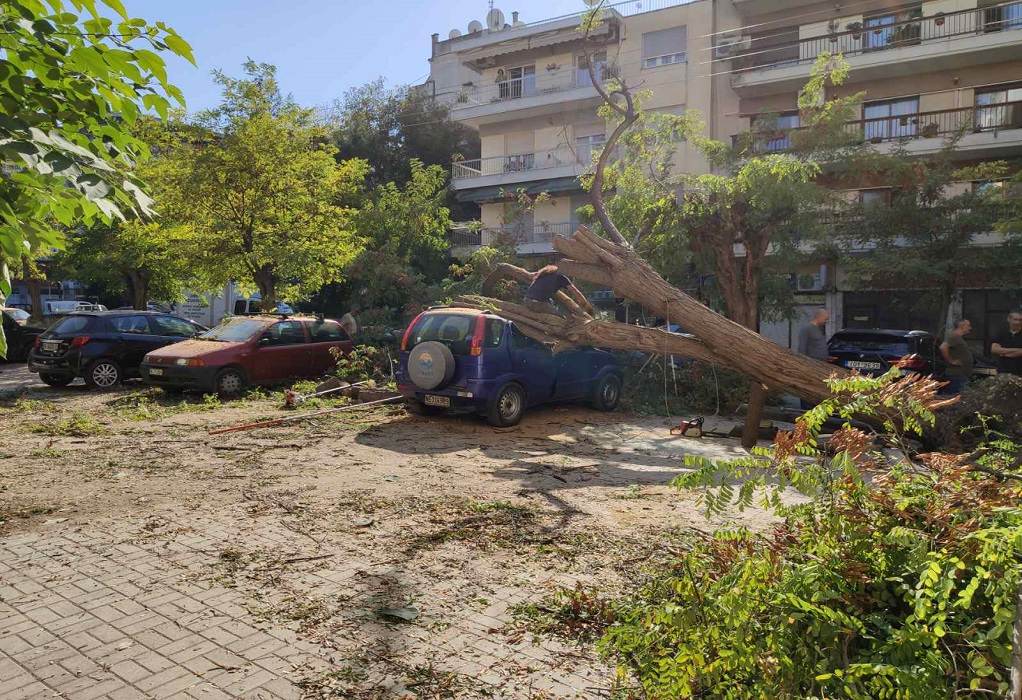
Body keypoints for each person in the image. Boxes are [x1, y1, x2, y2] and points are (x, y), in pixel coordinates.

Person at [524, 265, 593, 315]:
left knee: (551, 302)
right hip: (538, 303)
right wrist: (585, 305)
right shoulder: (561, 277)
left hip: (527, 301)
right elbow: (575, 292)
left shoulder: (545, 274)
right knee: (561, 318)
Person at [940, 318, 973, 394]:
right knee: (957, 398)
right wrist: (951, 361)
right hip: (956, 374)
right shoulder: (954, 336)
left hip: (962, 374)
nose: (970, 328)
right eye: (968, 326)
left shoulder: (958, 338)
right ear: (961, 326)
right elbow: (943, 347)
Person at [990, 310, 1022, 377]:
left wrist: (1003, 352)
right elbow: (994, 349)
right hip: (1003, 371)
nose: (1018, 322)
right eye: (1015, 319)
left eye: (1020, 320)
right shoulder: (1001, 332)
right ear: (1009, 319)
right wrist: (1017, 350)